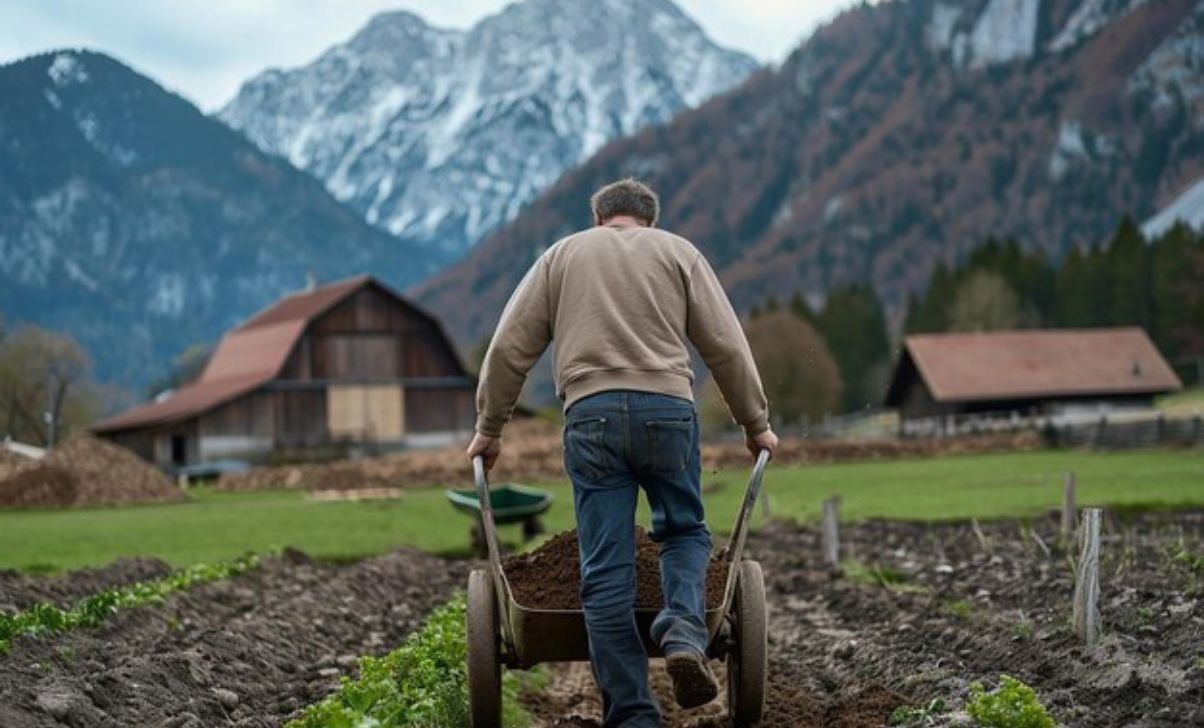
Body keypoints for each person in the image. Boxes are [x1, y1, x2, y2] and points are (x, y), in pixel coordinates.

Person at [467, 178, 778, 727]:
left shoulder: (563, 256)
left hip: (591, 416)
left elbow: (510, 347)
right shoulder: (678, 253)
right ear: (649, 223)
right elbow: (726, 346)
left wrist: (490, 427)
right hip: (667, 412)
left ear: (599, 220)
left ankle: (633, 715)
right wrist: (756, 423)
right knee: (683, 531)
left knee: (605, 571)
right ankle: (683, 630)